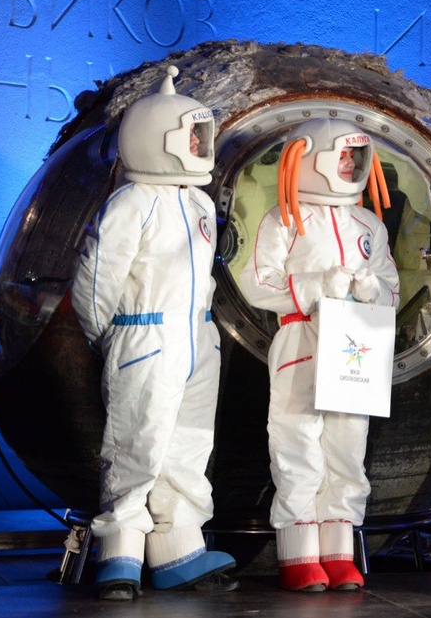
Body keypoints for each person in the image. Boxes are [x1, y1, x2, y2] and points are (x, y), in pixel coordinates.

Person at [72, 66, 238, 600]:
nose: (199, 145)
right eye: (192, 135)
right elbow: (96, 279)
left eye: (202, 135)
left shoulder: (198, 202)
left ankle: (177, 547)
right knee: (135, 444)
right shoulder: (132, 202)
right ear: (155, 138)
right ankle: (120, 551)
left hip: (196, 339)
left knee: (188, 445)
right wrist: (111, 335)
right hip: (145, 336)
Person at [238, 119, 400, 592]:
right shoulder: (284, 219)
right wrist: (315, 287)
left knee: (348, 448)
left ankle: (339, 550)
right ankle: (298, 552)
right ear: (308, 159)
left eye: (355, 157)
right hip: (302, 338)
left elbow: (391, 285)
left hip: (354, 343)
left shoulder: (369, 224)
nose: (349, 165)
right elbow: (258, 283)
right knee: (298, 443)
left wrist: (372, 290)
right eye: (341, 156)